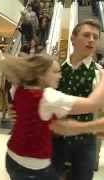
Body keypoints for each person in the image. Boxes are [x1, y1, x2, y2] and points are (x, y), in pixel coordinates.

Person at [0, 54, 104, 180]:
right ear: (40, 74)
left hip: (12, 158)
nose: (60, 76)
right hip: (34, 168)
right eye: (55, 72)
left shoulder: (18, 88)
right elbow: (93, 104)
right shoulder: (48, 97)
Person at [52, 19, 101, 180]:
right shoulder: (56, 70)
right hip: (55, 141)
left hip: (85, 146)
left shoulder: (100, 74)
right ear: (73, 38)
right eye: (86, 35)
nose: (92, 40)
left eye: (96, 36)